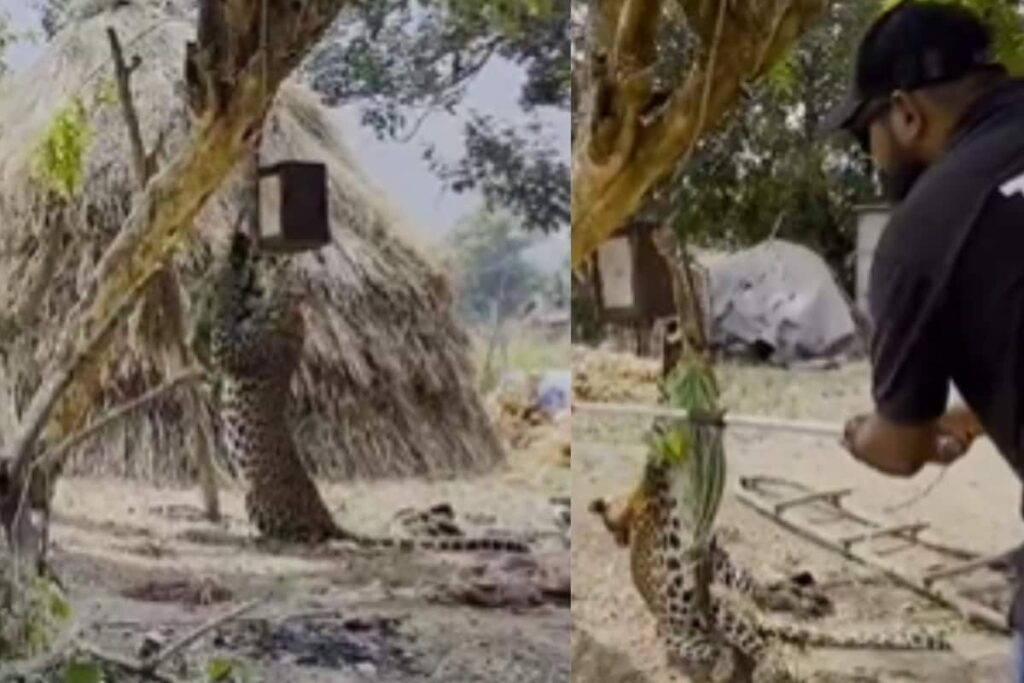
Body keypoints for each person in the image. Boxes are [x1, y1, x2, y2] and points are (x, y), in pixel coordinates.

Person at [825, 0, 1024, 673]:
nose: (871, 156)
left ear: (907, 113)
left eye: (865, 134)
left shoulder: (923, 231)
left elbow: (901, 448)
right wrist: (975, 415)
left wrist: (862, 433)